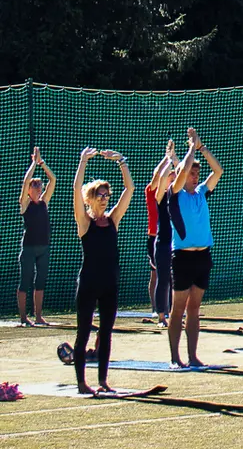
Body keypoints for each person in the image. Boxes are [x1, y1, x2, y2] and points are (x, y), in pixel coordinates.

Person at [71, 147, 133, 394]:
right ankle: (81, 383)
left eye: (107, 194)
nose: (105, 198)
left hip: (110, 284)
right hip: (88, 284)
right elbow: (76, 190)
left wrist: (122, 161)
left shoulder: (113, 220)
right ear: (91, 198)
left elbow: (130, 190)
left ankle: (103, 381)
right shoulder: (85, 222)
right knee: (83, 333)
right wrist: (82, 160)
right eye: (100, 194)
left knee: (106, 333)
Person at [168, 127, 223, 369]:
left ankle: (193, 356)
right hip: (182, 257)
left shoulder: (201, 192)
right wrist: (191, 149)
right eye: (191, 173)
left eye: (196, 173)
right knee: (178, 308)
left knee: (195, 308)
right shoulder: (175, 193)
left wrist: (201, 148)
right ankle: (174, 358)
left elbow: (218, 171)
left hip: (203, 256)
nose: (195, 176)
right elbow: (180, 176)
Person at [18, 147, 56, 327]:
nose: (39, 187)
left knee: (40, 281)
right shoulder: (25, 204)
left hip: (43, 247)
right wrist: (34, 163)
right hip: (28, 248)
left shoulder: (44, 203)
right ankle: (23, 318)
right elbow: (26, 181)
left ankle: (39, 316)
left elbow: (53, 179)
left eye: (39, 185)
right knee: (25, 281)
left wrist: (42, 163)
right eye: (35, 185)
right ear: (29, 190)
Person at [146, 142, 175, 324]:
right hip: (155, 237)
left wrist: (173, 159)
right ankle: (157, 310)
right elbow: (158, 175)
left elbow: (181, 174)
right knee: (157, 275)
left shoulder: (175, 195)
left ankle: (170, 310)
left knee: (171, 277)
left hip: (172, 239)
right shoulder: (153, 192)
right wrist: (167, 158)